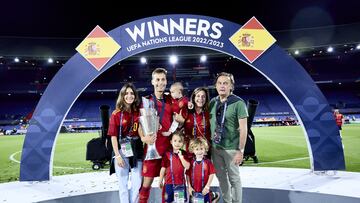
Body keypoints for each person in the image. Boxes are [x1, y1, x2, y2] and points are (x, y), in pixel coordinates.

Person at [138, 68, 184, 202]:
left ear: (166, 81)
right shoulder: (146, 101)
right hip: (151, 149)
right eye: (157, 79)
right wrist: (143, 138)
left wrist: (181, 123)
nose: (160, 82)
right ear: (152, 81)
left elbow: (178, 122)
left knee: (168, 184)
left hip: (168, 150)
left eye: (163, 79)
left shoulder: (171, 100)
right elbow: (139, 124)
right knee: (146, 185)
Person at [209, 72, 248, 203]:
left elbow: (244, 129)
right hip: (216, 148)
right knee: (221, 178)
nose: (222, 86)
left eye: (225, 83)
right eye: (219, 83)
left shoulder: (238, 103)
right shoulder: (213, 102)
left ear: (231, 86)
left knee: (234, 179)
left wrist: (240, 151)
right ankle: (227, 200)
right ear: (215, 86)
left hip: (232, 149)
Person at [108, 83, 143, 203]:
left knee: (137, 183)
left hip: (137, 148)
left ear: (135, 96)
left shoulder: (139, 112)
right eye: (126, 93)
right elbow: (113, 136)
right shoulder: (116, 114)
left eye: (132, 93)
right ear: (122, 96)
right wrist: (117, 156)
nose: (129, 96)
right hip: (121, 150)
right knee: (123, 184)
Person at [158, 131, 190, 203]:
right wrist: (160, 180)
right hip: (169, 184)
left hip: (180, 184)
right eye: (175, 141)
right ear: (171, 142)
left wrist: (181, 157)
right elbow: (163, 168)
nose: (177, 143)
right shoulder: (167, 154)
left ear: (183, 143)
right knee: (167, 201)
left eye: (180, 141)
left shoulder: (184, 154)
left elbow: (187, 167)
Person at [186, 137, 219, 203]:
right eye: (197, 149)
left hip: (204, 191)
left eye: (201, 149)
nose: (199, 151)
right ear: (193, 150)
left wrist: (207, 186)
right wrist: (189, 186)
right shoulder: (191, 162)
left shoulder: (208, 162)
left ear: (205, 149)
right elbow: (187, 175)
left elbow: (212, 174)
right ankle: (214, 195)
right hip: (194, 191)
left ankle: (213, 196)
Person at [183, 87, 211, 158]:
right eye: (198, 96)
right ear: (193, 97)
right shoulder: (186, 111)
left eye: (203, 96)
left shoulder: (209, 113)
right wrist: (186, 102)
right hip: (190, 150)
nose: (200, 99)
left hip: (204, 151)